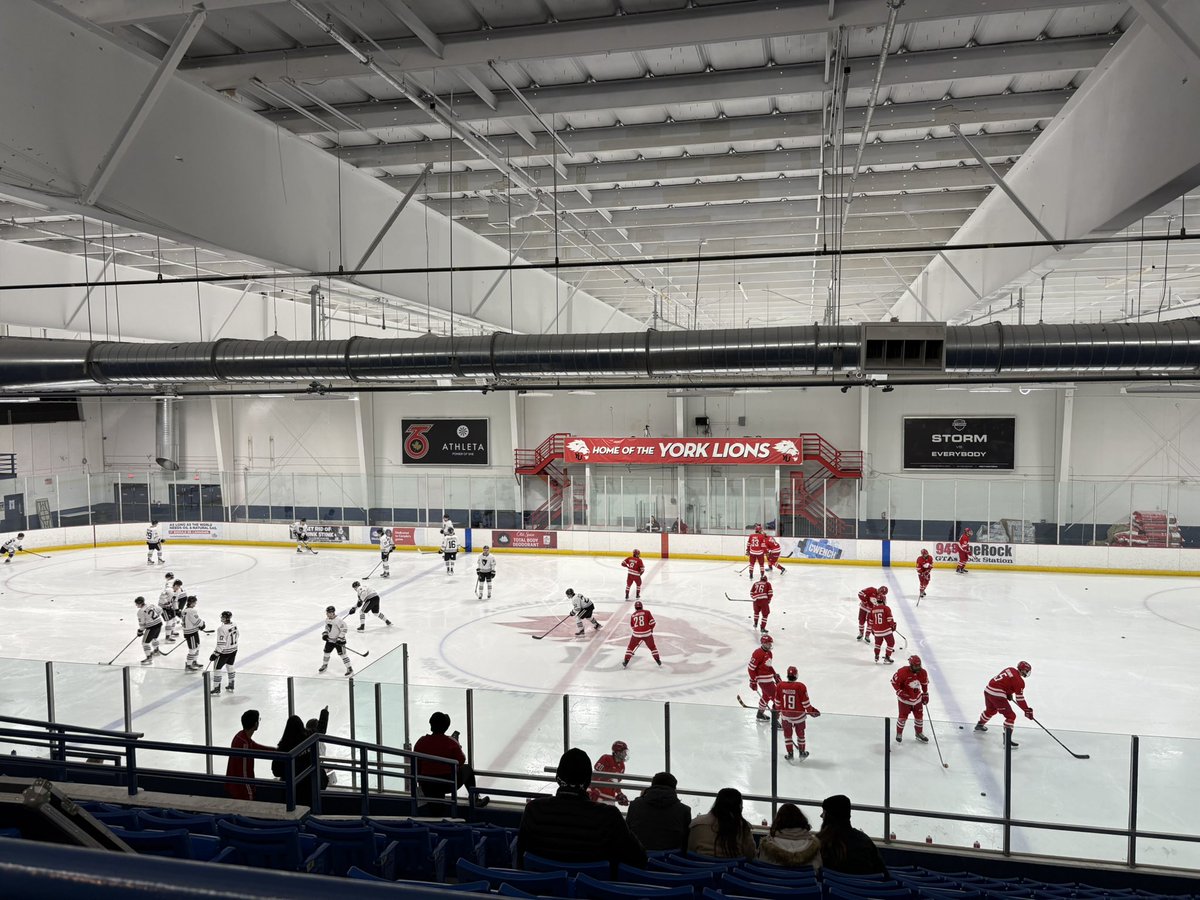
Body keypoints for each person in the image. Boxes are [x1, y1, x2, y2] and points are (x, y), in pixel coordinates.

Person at [516, 748, 646, 878]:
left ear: (557, 778)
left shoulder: (534, 809)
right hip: (595, 888)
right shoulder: (609, 816)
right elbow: (639, 858)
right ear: (588, 781)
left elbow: (519, 858)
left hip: (542, 887)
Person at [413, 711, 490, 809]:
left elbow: (416, 764)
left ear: (431, 724)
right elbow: (461, 760)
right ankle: (474, 799)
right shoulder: (450, 742)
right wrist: (458, 745)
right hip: (447, 784)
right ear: (445, 727)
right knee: (467, 769)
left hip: (427, 784)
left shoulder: (421, 742)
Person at [817, 794, 887, 876]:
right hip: (863, 884)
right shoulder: (864, 841)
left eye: (824, 812)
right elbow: (882, 872)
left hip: (830, 883)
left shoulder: (820, 844)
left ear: (829, 817)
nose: (821, 816)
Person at [627, 771, 691, 852]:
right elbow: (686, 842)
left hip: (638, 856)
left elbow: (627, 834)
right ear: (674, 789)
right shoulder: (684, 811)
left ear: (652, 785)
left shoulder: (634, 806)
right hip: (671, 858)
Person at [975, 661, 1033, 748]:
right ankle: (1007, 739)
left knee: (991, 710)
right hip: (997, 694)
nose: (1027, 673)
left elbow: (1004, 682)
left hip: (988, 690)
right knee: (1011, 716)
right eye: (1026, 671)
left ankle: (979, 725)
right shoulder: (1020, 681)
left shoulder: (1010, 669)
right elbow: (1020, 699)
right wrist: (1026, 710)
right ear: (1022, 670)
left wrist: (1008, 693)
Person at [687, 787, 756, 859]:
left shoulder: (697, 824)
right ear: (739, 807)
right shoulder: (743, 827)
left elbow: (690, 850)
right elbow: (750, 854)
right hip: (733, 865)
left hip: (701, 865)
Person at [226, 709, 273, 801]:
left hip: (235, 786)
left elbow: (256, 746)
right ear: (255, 724)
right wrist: (249, 792)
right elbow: (243, 772)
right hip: (241, 790)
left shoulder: (241, 736)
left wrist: (276, 750)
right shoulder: (244, 744)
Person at [756, 803, 821, 869]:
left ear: (778, 821)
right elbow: (818, 868)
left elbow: (762, 868)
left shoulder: (767, 846)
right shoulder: (813, 847)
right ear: (801, 820)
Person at [776, 665, 820, 760]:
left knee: (787, 735)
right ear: (796, 675)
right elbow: (806, 704)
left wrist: (777, 713)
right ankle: (802, 752)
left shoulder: (780, 686)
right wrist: (812, 711)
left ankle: (790, 754)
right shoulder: (800, 686)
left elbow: (777, 703)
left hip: (786, 716)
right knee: (801, 735)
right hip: (799, 716)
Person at [892, 655, 930, 744]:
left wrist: (925, 693)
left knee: (919, 717)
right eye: (916, 666)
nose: (918, 668)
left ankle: (919, 733)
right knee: (902, 717)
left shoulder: (923, 672)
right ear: (911, 665)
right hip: (904, 700)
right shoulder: (902, 672)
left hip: (917, 699)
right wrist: (899, 691)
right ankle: (899, 733)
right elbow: (894, 682)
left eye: (919, 665)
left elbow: (924, 684)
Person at [747, 633, 779, 722]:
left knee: (766, 696)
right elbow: (751, 668)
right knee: (777, 699)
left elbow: (768, 666)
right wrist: (753, 681)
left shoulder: (769, 653)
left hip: (769, 679)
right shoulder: (757, 653)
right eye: (768, 643)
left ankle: (760, 714)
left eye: (770, 643)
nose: (770, 645)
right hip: (763, 681)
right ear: (763, 643)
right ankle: (775, 721)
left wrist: (775, 675)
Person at [588, 740, 629, 806]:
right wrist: (589, 790)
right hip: (598, 795)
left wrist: (620, 794)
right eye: (624, 752)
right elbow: (595, 775)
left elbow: (615, 783)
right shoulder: (606, 758)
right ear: (618, 752)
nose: (625, 754)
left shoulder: (622, 766)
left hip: (610, 798)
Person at [623, 601, 662, 668]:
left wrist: (639, 631)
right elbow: (653, 623)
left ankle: (626, 661)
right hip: (647, 634)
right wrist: (651, 628)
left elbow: (633, 626)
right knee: (652, 647)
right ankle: (657, 660)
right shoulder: (647, 612)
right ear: (642, 606)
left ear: (635, 608)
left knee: (630, 647)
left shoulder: (633, 615)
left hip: (636, 635)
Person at [319, 605, 354, 677]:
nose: (327, 614)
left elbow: (344, 629)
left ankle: (349, 668)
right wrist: (325, 634)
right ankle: (325, 665)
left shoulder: (339, 620)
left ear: (332, 613)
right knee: (326, 653)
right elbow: (327, 628)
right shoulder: (327, 619)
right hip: (330, 640)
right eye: (327, 612)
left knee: (343, 655)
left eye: (328, 612)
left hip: (339, 641)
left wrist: (339, 638)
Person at [209, 610, 239, 694]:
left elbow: (221, 643)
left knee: (217, 669)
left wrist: (215, 654)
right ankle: (231, 684)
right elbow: (238, 635)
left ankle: (216, 688)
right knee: (230, 666)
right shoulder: (234, 625)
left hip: (224, 652)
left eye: (222, 616)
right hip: (234, 649)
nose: (221, 618)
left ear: (225, 618)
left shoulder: (221, 629)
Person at [134, 596, 163, 666]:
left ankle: (149, 658)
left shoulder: (140, 612)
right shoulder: (151, 605)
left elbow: (142, 624)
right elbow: (160, 610)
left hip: (152, 627)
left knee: (145, 643)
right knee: (154, 638)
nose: (136, 605)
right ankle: (156, 651)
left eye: (136, 604)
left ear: (139, 603)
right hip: (159, 623)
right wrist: (154, 618)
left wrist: (140, 631)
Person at [868, 593, 896, 664]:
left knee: (878, 644)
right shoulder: (886, 608)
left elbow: (870, 622)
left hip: (877, 631)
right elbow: (889, 619)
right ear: (883, 600)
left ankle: (876, 656)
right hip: (886, 630)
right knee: (891, 643)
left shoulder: (873, 609)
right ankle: (887, 657)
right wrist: (893, 625)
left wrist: (872, 629)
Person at [180, 595, 206, 671]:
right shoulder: (191, 611)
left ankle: (194, 662)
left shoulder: (185, 610)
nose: (195, 604)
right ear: (191, 603)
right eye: (195, 602)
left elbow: (190, 621)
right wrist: (202, 624)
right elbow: (196, 621)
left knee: (197, 647)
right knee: (193, 649)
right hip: (191, 633)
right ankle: (188, 665)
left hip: (191, 631)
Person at [157, 573, 180, 643]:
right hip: (163, 608)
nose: (178, 587)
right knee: (169, 621)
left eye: (179, 586)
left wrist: (177, 609)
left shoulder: (177, 591)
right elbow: (161, 598)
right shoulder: (168, 590)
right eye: (177, 586)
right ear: (174, 585)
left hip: (169, 607)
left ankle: (171, 632)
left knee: (174, 619)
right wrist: (166, 603)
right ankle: (167, 638)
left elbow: (175, 601)